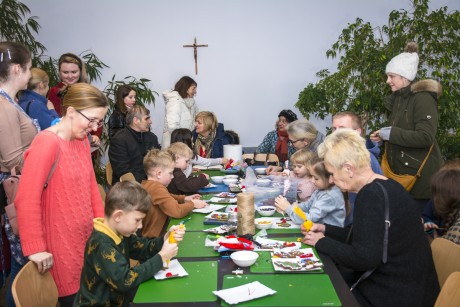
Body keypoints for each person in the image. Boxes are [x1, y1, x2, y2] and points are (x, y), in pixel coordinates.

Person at [303, 129, 439, 306]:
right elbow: (366, 238)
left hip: (393, 295)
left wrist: (322, 242)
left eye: (332, 173)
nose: (332, 180)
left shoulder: (371, 196)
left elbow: (363, 257)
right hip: (412, 289)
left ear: (348, 169)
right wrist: (327, 230)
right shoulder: (387, 186)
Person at [15, 83, 108, 306]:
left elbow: (91, 187)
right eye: (92, 120)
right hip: (61, 248)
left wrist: (104, 227)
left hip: (86, 240)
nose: (94, 128)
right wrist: (35, 248)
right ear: (71, 111)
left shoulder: (81, 141)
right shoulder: (47, 143)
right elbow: (26, 199)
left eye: (99, 122)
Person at [73, 181, 185, 306]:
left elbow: (143, 248)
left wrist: (165, 238)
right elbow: (125, 280)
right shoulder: (102, 244)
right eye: (137, 220)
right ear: (118, 216)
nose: (140, 226)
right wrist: (161, 257)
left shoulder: (121, 232)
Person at [370, 42, 443, 212]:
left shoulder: (422, 98)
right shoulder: (399, 99)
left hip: (418, 182)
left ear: (405, 76)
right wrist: (383, 136)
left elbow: (425, 137)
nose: (388, 81)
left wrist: (391, 134)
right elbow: (402, 132)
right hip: (401, 177)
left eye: (392, 76)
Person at [0, 41, 38, 307]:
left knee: (23, 262)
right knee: (23, 265)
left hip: (23, 186)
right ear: (16, 69)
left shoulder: (9, 102)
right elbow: (14, 160)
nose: (30, 73)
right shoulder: (3, 105)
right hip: (17, 190)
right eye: (28, 68)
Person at [141, 149, 208, 237]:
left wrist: (184, 198)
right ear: (159, 174)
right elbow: (177, 211)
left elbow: (167, 196)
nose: (172, 177)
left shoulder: (148, 184)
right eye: (170, 173)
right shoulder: (156, 188)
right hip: (156, 237)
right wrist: (193, 204)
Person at [332, 111, 383, 226]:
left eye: (342, 128)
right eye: (334, 129)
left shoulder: (366, 160)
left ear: (357, 132)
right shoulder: (340, 156)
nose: (336, 133)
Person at [47, 53, 101, 151]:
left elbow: (98, 117)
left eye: (74, 72)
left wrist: (96, 135)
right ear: (59, 72)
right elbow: (53, 119)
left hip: (86, 144)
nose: (70, 76)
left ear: (80, 71)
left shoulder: (88, 90)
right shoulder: (55, 92)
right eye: (65, 72)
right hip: (64, 144)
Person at [275, 153, 345, 227]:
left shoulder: (329, 196)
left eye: (316, 178)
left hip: (328, 235)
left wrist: (288, 208)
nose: (312, 180)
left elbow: (309, 219)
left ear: (330, 178)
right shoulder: (320, 190)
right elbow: (306, 206)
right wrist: (291, 208)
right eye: (311, 176)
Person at [109, 105, 161, 184]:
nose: (150, 122)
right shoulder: (119, 140)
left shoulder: (152, 137)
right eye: (147, 118)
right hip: (128, 188)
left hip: (151, 183)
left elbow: (159, 162)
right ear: (136, 120)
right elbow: (124, 171)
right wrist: (148, 183)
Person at [162, 76, 198, 148]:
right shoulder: (175, 102)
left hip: (186, 142)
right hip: (174, 144)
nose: (195, 91)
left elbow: (196, 118)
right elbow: (173, 127)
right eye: (193, 89)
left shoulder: (192, 103)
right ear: (186, 88)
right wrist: (184, 139)